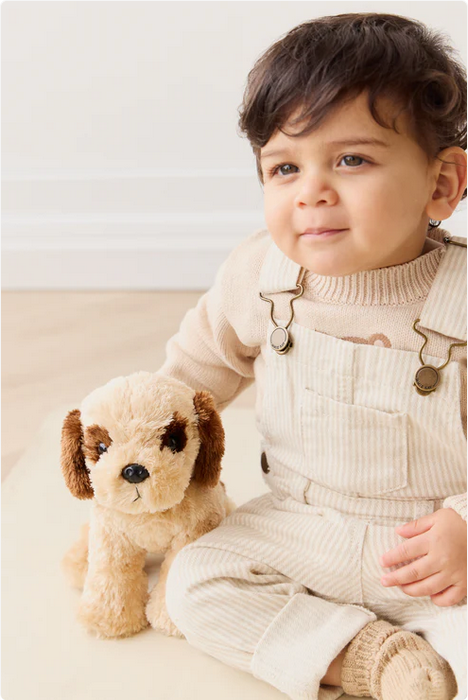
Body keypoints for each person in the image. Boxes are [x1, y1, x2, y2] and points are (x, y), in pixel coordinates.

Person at [158, 12, 467, 700]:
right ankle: (369, 657)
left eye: (351, 160)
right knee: (194, 583)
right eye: (285, 168)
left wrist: (465, 527)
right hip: (300, 527)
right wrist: (144, 440)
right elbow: (193, 373)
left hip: (434, 555)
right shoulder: (261, 276)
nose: (312, 191)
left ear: (442, 184)